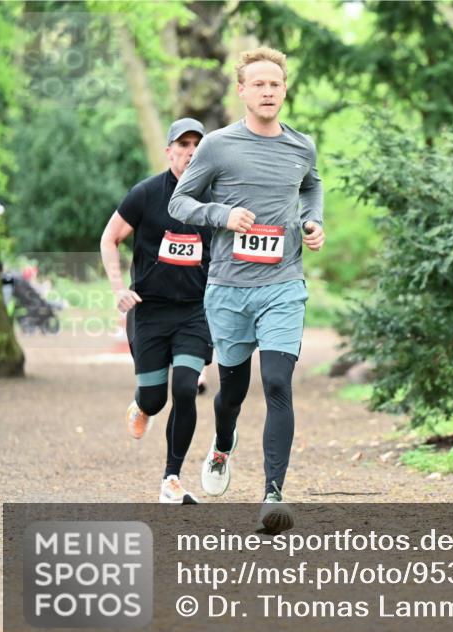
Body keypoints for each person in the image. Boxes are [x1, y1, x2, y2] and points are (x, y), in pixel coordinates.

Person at [168, 47, 325, 533]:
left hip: (283, 285)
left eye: (275, 84)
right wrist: (222, 215)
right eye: (258, 84)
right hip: (229, 288)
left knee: (277, 383)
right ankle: (222, 444)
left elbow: (311, 186)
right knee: (231, 392)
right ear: (241, 91)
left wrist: (313, 221)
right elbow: (179, 202)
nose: (267, 91)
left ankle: (273, 495)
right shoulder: (218, 146)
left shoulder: (301, 146)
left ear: (285, 89)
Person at [100, 118, 213, 504]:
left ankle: (171, 479)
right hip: (149, 311)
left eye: (197, 145)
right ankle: (142, 405)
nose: (191, 152)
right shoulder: (146, 193)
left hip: (195, 312)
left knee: (185, 388)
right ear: (169, 152)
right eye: (183, 145)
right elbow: (110, 238)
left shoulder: (215, 198)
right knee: (155, 399)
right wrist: (119, 289)